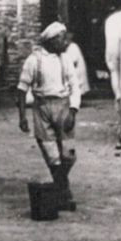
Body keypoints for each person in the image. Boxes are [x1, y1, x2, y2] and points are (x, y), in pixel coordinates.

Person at [17, 22, 78, 210]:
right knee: (52, 155)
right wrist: (22, 117)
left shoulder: (65, 59)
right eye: (61, 38)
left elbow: (75, 85)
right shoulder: (34, 60)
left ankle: (60, 190)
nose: (65, 41)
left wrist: (73, 110)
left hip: (63, 106)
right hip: (42, 108)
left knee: (68, 155)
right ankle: (63, 194)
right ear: (51, 40)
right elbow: (21, 90)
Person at [61, 28, 89, 109]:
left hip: (77, 70)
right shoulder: (68, 48)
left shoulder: (73, 47)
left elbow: (73, 61)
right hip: (75, 69)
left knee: (74, 84)